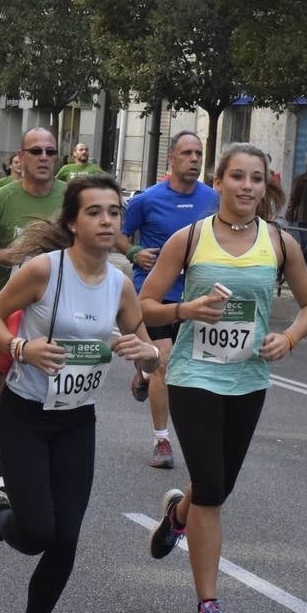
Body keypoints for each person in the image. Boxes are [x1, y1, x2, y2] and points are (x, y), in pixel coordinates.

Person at [0, 174, 161, 613]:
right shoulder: (43, 270)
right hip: (26, 415)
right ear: (73, 222)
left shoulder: (119, 283)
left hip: (77, 422)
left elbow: (148, 347)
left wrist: (147, 355)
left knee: (65, 539)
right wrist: (23, 348)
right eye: (94, 212)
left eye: (114, 212)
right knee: (36, 534)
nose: (107, 220)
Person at [139, 143, 307, 613]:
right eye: (237, 176)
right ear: (218, 183)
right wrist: (187, 310)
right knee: (213, 488)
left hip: (248, 380)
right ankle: (208, 609)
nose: (246, 186)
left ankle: (178, 516)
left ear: (266, 187)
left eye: (256, 179)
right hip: (194, 375)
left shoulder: (280, 244)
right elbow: (146, 303)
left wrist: (288, 339)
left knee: (215, 485)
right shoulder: (190, 238)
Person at [0, 127, 67, 490]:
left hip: (57, 309)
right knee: (2, 388)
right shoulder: (2, 198)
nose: (44, 157)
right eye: (36, 151)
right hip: (6, 310)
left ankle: (42, 457)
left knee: (55, 390)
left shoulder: (69, 198)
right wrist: (10, 255)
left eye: (51, 151)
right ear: (21, 158)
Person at [115, 131, 219, 468]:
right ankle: (162, 441)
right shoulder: (147, 199)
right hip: (155, 298)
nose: (194, 159)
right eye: (187, 153)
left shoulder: (212, 199)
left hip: (196, 301)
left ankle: (142, 374)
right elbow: (118, 232)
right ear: (170, 159)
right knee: (164, 363)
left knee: (185, 370)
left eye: (198, 154)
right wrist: (133, 251)